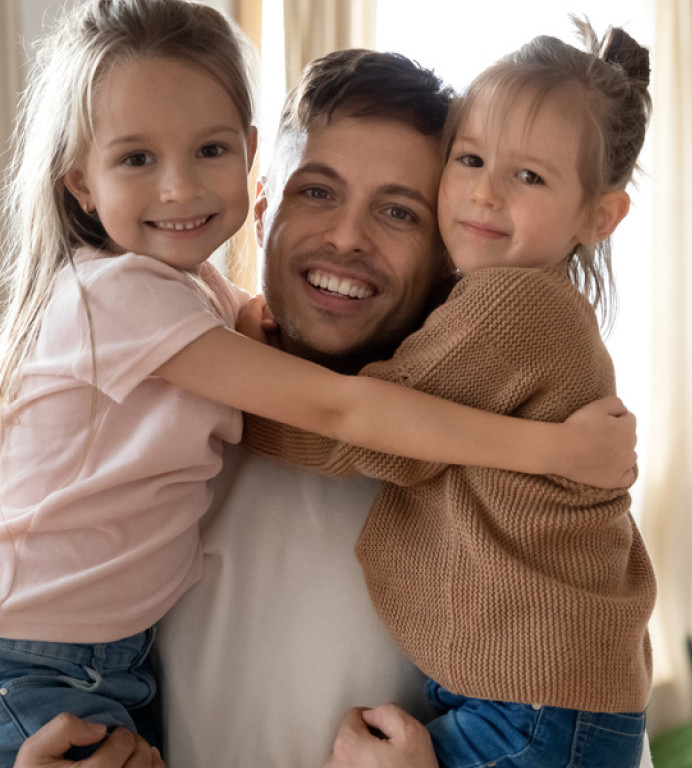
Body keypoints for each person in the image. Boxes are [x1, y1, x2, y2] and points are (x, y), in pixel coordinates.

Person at [0, 2, 637, 767]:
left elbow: (580, 725)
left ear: (449, 248)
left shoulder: (494, 481)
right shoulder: (165, 395)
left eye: (399, 211)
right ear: (261, 207)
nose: (347, 237)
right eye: (316, 192)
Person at [244, 23, 657, 768]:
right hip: (545, 700)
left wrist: (236, 383)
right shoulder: (512, 305)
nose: (486, 192)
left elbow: (358, 426)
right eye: (470, 160)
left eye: (529, 177)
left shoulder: (510, 305)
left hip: (533, 708)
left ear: (599, 217)